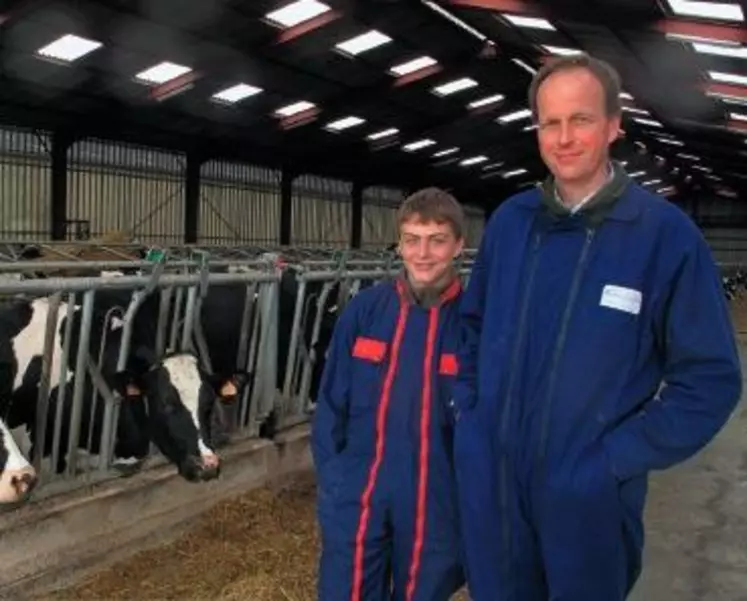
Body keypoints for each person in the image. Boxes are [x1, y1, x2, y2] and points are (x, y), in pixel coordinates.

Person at [452, 53, 743, 601]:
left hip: (587, 505)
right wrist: (468, 416)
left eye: (580, 119)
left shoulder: (663, 236)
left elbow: (709, 379)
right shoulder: (511, 224)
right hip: (492, 492)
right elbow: (471, 328)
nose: (563, 138)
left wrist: (615, 459)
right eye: (550, 123)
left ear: (614, 125)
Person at [312, 187, 467, 601]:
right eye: (413, 240)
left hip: (437, 500)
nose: (423, 253)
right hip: (359, 489)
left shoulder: (474, 324)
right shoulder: (365, 311)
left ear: (459, 245)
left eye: (437, 240)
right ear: (399, 244)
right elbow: (330, 404)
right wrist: (334, 480)